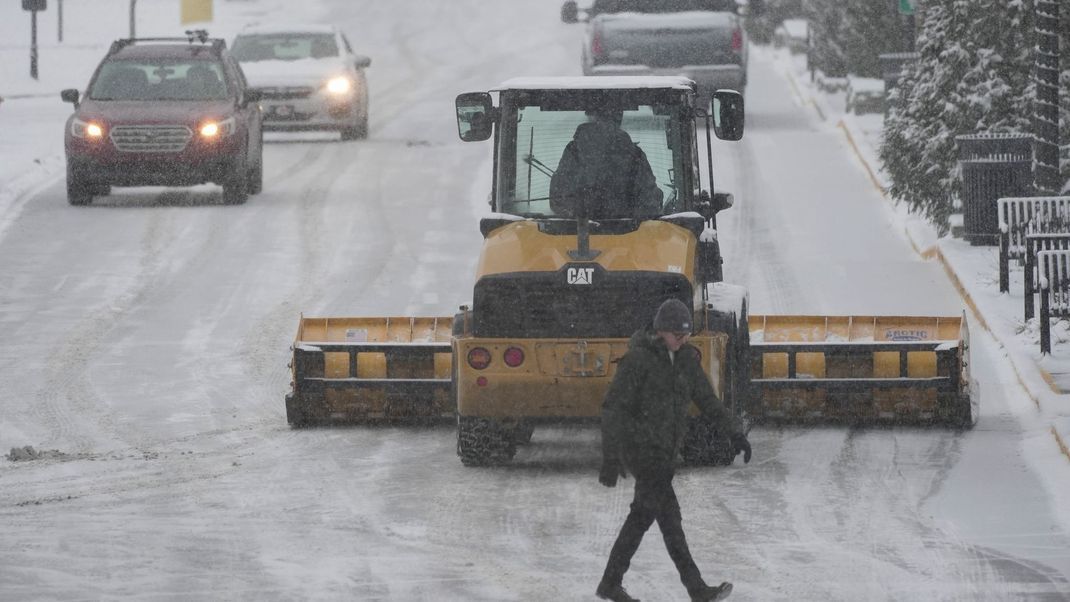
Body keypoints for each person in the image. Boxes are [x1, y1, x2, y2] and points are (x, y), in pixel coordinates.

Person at [596, 297, 752, 602]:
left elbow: (708, 401)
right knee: (667, 521)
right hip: (642, 450)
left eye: (686, 335)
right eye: (676, 335)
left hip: (666, 452)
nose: (681, 341)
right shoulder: (638, 361)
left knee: (649, 518)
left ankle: (611, 583)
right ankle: (695, 589)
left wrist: (735, 434)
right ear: (661, 331)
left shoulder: (686, 362)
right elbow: (614, 409)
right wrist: (611, 457)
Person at [549, 106, 663, 219]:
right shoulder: (634, 155)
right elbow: (650, 202)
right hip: (629, 234)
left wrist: (582, 216)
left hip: (577, 233)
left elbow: (559, 198)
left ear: (592, 117)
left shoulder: (573, 151)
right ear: (619, 119)